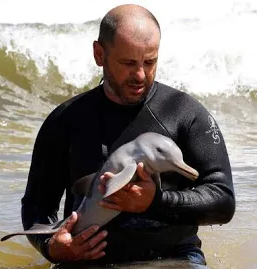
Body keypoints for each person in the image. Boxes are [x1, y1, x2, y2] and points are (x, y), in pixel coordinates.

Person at [21, 4, 235, 268]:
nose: (140, 75)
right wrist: (52, 247)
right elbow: (36, 206)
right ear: (99, 54)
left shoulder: (185, 114)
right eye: (128, 63)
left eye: (150, 62)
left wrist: (156, 202)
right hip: (85, 262)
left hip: (173, 258)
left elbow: (223, 201)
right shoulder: (65, 120)